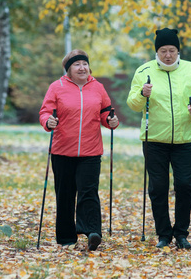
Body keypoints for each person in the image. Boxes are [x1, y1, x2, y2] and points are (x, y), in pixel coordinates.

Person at [127, 28, 191, 249]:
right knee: (158, 187)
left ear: (178, 51)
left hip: (185, 139)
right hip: (154, 140)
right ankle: (164, 234)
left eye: (172, 50)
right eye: (163, 50)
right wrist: (142, 94)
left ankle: (181, 233)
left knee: (184, 185)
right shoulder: (144, 71)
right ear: (157, 51)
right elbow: (132, 103)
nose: (168, 55)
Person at [39, 49, 119, 251]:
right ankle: (66, 237)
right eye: (77, 64)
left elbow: (106, 113)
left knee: (89, 192)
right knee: (65, 194)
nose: (82, 67)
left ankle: (92, 232)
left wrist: (111, 121)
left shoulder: (98, 87)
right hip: (62, 150)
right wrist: (48, 121)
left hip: (91, 151)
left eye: (84, 63)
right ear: (68, 69)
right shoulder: (56, 87)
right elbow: (45, 112)